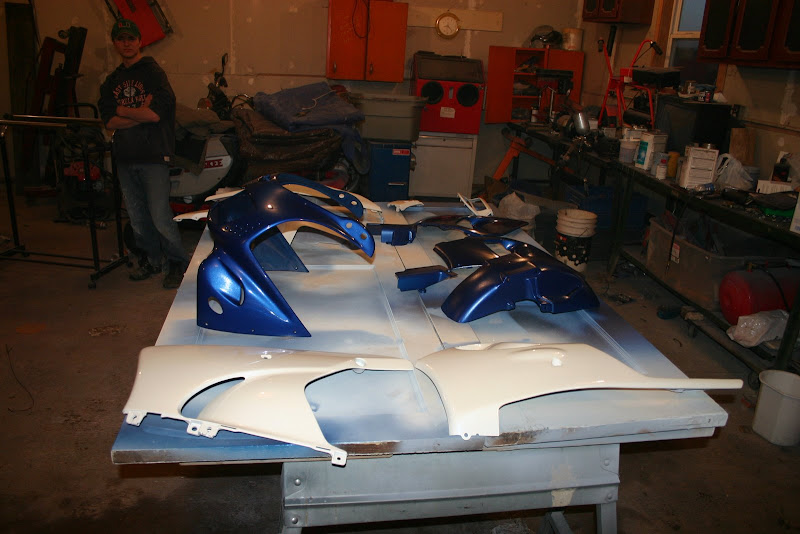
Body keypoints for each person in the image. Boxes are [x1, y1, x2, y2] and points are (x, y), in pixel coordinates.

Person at [98, 18, 188, 289]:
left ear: (139, 41)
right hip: (125, 157)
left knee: (160, 216)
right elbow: (109, 121)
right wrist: (137, 112)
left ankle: (177, 264)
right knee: (137, 218)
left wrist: (122, 111)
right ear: (115, 43)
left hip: (153, 156)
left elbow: (156, 114)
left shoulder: (153, 74)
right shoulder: (111, 81)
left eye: (131, 38)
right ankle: (152, 260)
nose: (126, 43)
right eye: (121, 39)